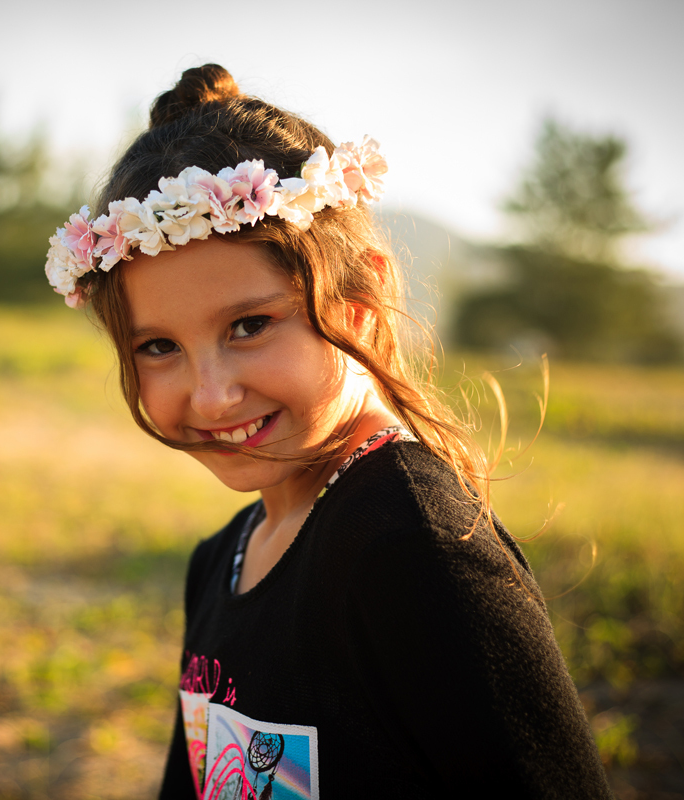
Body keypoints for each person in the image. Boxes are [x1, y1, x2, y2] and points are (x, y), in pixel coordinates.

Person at [44, 64, 612, 800]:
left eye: (249, 326)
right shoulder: (222, 558)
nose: (212, 395)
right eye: (159, 347)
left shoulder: (413, 549)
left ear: (358, 301)